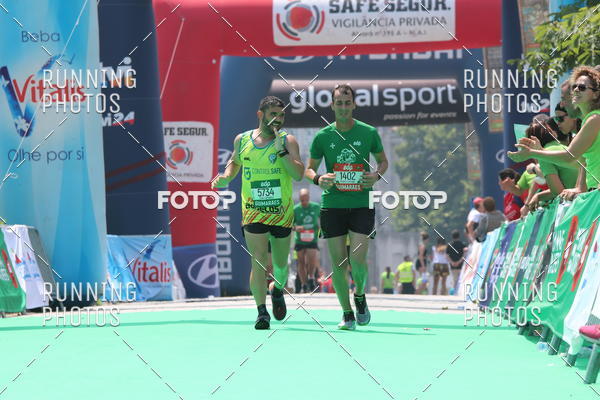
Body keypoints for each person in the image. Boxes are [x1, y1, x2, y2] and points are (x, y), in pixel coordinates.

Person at [212, 96, 304, 330]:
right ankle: (262, 312)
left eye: (281, 115)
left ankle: (278, 290)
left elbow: (298, 174)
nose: (278, 119)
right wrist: (226, 177)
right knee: (259, 261)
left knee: (281, 267)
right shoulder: (242, 140)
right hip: (253, 211)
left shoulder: (288, 140)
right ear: (260, 114)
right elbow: (234, 162)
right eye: (273, 114)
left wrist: (282, 152)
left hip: (281, 212)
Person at [305, 83, 388, 330]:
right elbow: (309, 169)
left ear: (354, 105)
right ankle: (347, 313)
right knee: (338, 263)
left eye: (347, 103)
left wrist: (376, 175)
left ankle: (359, 294)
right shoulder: (322, 136)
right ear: (332, 106)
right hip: (332, 205)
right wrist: (319, 179)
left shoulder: (368, 132)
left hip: (362, 203)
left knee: (358, 261)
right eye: (339, 103)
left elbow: (383, 161)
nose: (343, 107)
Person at [509, 66, 600, 196]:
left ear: (596, 94)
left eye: (582, 87)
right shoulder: (591, 119)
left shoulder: (595, 118)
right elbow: (581, 161)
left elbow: (569, 157)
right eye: (574, 87)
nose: (576, 90)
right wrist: (580, 188)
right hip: (593, 191)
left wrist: (532, 153)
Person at [524, 118, 579, 210]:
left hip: (576, 204)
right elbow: (564, 189)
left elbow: (559, 192)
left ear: (532, 142)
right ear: (552, 133)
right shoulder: (564, 148)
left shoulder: (544, 155)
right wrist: (538, 196)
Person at [293, 188, 321, 293]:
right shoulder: (296, 209)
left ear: (309, 197)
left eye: (305, 199)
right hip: (300, 240)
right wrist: (296, 228)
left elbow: (323, 218)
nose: (304, 202)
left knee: (311, 259)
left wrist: (321, 227)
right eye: (302, 200)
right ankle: (304, 284)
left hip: (312, 238)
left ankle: (311, 278)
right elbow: (290, 225)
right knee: (301, 262)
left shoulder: (316, 207)